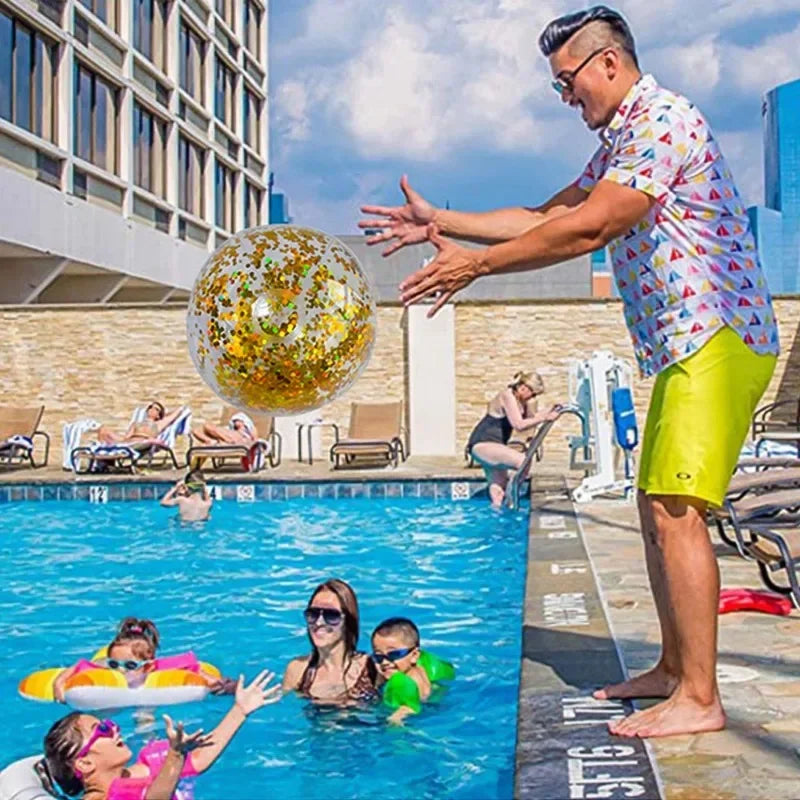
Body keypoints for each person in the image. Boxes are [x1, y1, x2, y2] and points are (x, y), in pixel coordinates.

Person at [358, 5, 779, 738]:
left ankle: (700, 699)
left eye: (567, 83)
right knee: (657, 510)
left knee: (677, 511)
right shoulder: (623, 135)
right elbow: (550, 212)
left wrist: (477, 266)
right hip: (689, 346)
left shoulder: (661, 122)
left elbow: (591, 227)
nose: (566, 98)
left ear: (608, 64)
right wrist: (445, 226)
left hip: (716, 336)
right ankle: (675, 670)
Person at [35, 670, 279, 800]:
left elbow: (201, 758)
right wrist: (175, 755)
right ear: (85, 763)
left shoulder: (149, 763)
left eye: (108, 723)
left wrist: (240, 709)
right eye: (102, 730)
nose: (115, 728)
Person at [53, 618, 233, 703]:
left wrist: (216, 686)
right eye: (115, 665)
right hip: (115, 694)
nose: (120, 671)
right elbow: (76, 668)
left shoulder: (159, 670)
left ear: (147, 667)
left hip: (149, 687)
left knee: (146, 713)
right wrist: (59, 688)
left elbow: (194, 670)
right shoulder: (105, 668)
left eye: (129, 666)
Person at [467, 371, 560, 507]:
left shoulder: (520, 401)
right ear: (523, 387)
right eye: (533, 394)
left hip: (493, 445)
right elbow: (519, 425)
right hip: (482, 443)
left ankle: (498, 516)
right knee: (523, 461)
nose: (532, 398)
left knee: (498, 491)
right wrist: (544, 418)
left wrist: (549, 410)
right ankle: (512, 498)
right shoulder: (507, 396)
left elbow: (530, 420)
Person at [282, 579, 378, 705]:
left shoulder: (372, 668)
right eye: (313, 614)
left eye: (331, 616)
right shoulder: (297, 670)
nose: (319, 622)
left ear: (348, 621)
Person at [97, 402, 183, 449]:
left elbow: (178, 411)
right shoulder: (136, 423)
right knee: (103, 429)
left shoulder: (159, 424)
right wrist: (119, 441)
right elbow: (126, 437)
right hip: (129, 442)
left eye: (156, 409)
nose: (152, 409)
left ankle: (107, 458)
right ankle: (103, 460)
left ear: (158, 415)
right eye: (150, 407)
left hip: (143, 442)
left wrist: (164, 415)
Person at [190, 413, 255, 447]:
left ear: (244, 422)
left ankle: (227, 440)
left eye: (238, 420)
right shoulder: (230, 429)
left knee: (207, 425)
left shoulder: (248, 430)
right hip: (223, 438)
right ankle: (211, 441)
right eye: (234, 421)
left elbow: (255, 440)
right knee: (195, 431)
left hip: (237, 439)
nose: (235, 422)